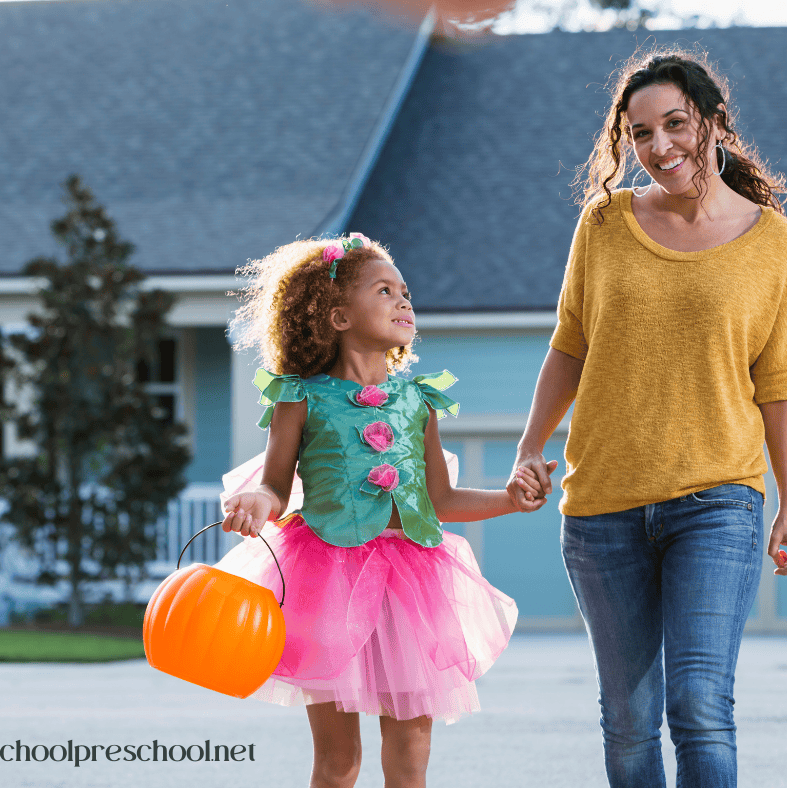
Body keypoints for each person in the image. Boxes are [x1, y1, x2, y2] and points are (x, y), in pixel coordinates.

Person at [507, 48, 787, 788]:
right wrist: (530, 446)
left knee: (699, 704)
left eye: (675, 124)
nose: (659, 147)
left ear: (714, 122)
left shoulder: (775, 245)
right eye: (640, 133)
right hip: (603, 505)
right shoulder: (605, 223)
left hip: (718, 499)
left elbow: (778, 386)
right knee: (629, 720)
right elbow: (570, 345)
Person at [217, 233, 552, 788]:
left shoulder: (419, 399)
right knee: (338, 759)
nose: (404, 302)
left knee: (411, 750)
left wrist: (509, 502)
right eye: (385, 290)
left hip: (412, 582)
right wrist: (260, 499)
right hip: (327, 578)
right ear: (339, 316)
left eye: (405, 292)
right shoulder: (298, 397)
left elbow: (440, 502)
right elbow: (276, 486)